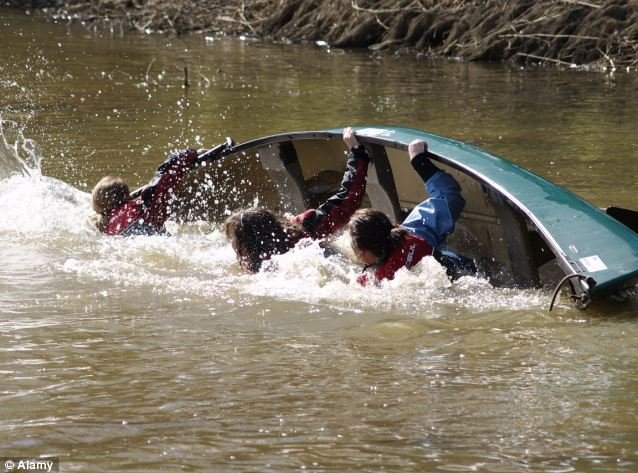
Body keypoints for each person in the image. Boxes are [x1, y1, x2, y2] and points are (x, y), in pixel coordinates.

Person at [225, 127, 370, 272]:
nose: (231, 243)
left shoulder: (256, 266)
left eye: (233, 238)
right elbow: (348, 200)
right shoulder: (305, 228)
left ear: (245, 247)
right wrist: (357, 153)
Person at [349, 139, 476, 285]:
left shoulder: (377, 280)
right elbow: (450, 196)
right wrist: (419, 162)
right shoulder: (410, 235)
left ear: (363, 253)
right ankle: (417, 159)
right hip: (463, 270)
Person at [92, 148, 198, 235]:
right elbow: (165, 176)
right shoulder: (141, 207)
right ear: (127, 197)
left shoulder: (105, 227)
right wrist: (188, 154)